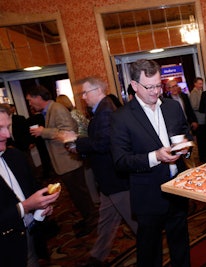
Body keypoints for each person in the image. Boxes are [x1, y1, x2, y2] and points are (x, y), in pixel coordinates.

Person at [110, 59, 191, 267]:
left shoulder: (172, 106)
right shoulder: (122, 117)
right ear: (135, 86)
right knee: (149, 251)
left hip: (178, 188)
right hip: (148, 195)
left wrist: (186, 149)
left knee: (181, 245)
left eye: (158, 85)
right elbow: (120, 160)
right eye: (150, 87)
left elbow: (185, 132)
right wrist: (155, 156)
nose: (156, 91)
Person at [58, 77, 138, 266]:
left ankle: (153, 253)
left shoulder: (105, 112)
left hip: (115, 180)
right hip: (109, 180)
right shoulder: (102, 109)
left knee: (137, 224)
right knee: (106, 222)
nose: (83, 97)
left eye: (86, 92)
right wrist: (78, 144)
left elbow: (102, 144)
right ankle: (97, 258)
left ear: (97, 91)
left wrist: (76, 140)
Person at [26, 85, 98, 238]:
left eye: (30, 100)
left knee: (80, 194)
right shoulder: (49, 111)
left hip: (69, 162)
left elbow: (69, 133)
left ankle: (92, 220)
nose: (30, 104)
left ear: (38, 97)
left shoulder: (57, 108)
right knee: (76, 195)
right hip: (64, 163)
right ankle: (88, 218)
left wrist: (43, 132)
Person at [0, 104, 60, 267]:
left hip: (31, 235)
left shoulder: (16, 155)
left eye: (7, 127)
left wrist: (43, 204)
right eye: (0, 128)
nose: (7, 134)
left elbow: (31, 188)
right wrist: (25, 207)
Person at [189, 77, 206, 162]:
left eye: (202, 83)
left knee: (204, 139)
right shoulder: (194, 93)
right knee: (200, 140)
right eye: (199, 84)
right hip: (199, 119)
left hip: (203, 118)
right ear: (195, 84)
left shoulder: (200, 91)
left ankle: (204, 156)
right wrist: (203, 107)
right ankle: (202, 157)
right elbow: (194, 106)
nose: (201, 85)